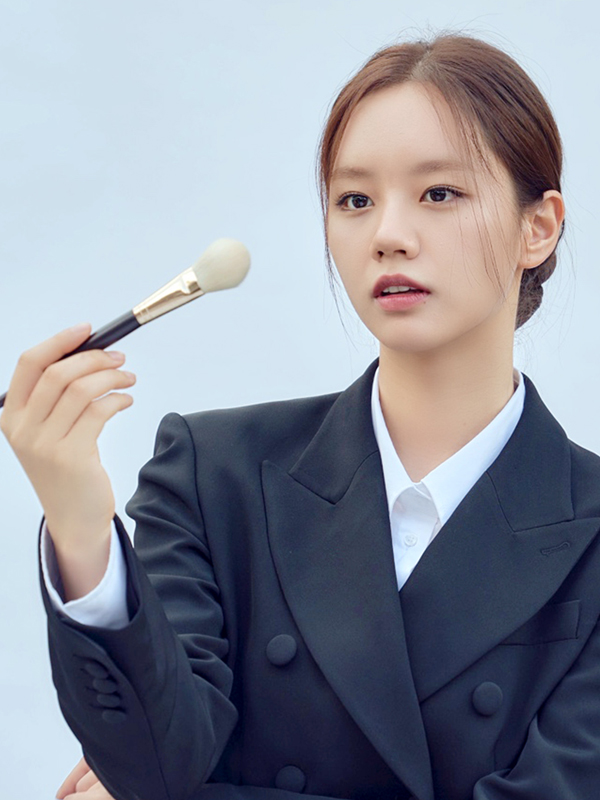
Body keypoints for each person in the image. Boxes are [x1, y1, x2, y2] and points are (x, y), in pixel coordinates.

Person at [3, 29, 598, 800]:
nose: (388, 235)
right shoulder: (211, 472)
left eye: (439, 194)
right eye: (355, 200)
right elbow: (155, 766)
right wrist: (81, 524)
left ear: (538, 227)